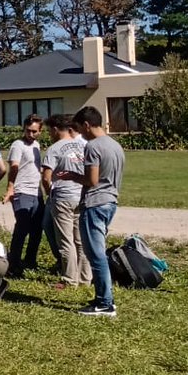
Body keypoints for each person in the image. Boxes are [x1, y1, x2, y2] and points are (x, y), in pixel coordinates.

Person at [59, 106, 124, 317]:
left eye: (79, 129)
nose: (79, 134)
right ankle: (102, 298)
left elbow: (91, 180)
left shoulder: (93, 146)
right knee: (98, 251)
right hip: (111, 201)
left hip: (95, 203)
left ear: (86, 125)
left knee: (96, 255)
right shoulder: (115, 145)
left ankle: (105, 303)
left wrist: (70, 175)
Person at [41, 113, 91, 288]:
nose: (49, 134)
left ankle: (69, 279)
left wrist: (50, 193)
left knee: (65, 241)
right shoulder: (84, 146)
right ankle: (85, 278)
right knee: (81, 240)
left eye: (49, 131)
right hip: (82, 196)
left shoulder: (54, 149)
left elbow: (46, 177)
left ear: (55, 129)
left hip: (62, 197)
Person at [3, 114, 45, 277]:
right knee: (22, 228)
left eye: (35, 131)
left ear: (40, 131)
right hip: (22, 191)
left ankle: (30, 260)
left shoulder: (36, 145)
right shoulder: (17, 145)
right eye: (28, 131)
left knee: (36, 230)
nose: (31, 134)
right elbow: (14, 167)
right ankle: (14, 263)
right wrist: (10, 189)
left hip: (36, 192)